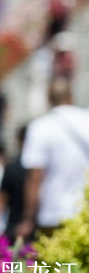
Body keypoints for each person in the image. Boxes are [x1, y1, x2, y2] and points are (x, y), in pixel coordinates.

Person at [16, 76, 89, 240]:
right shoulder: (86, 121)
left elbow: (35, 177)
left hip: (53, 212)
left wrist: (28, 216)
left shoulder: (40, 127)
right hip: (84, 210)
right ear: (71, 96)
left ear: (49, 99)